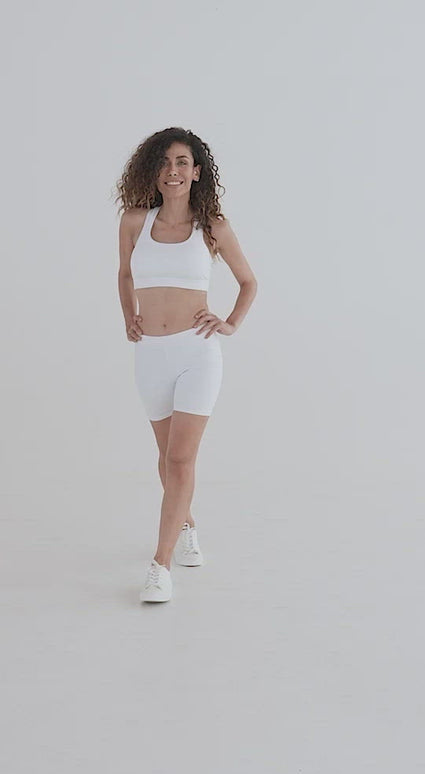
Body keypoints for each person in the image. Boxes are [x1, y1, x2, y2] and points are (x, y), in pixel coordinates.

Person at [115, 127, 257, 602]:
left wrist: (230, 324)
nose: (172, 171)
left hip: (197, 353)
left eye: (181, 163)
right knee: (166, 459)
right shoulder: (135, 221)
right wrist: (129, 317)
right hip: (150, 354)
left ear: (196, 172)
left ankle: (161, 564)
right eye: (164, 162)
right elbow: (125, 274)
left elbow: (249, 282)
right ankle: (187, 524)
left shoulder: (212, 226)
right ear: (152, 171)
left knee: (180, 459)